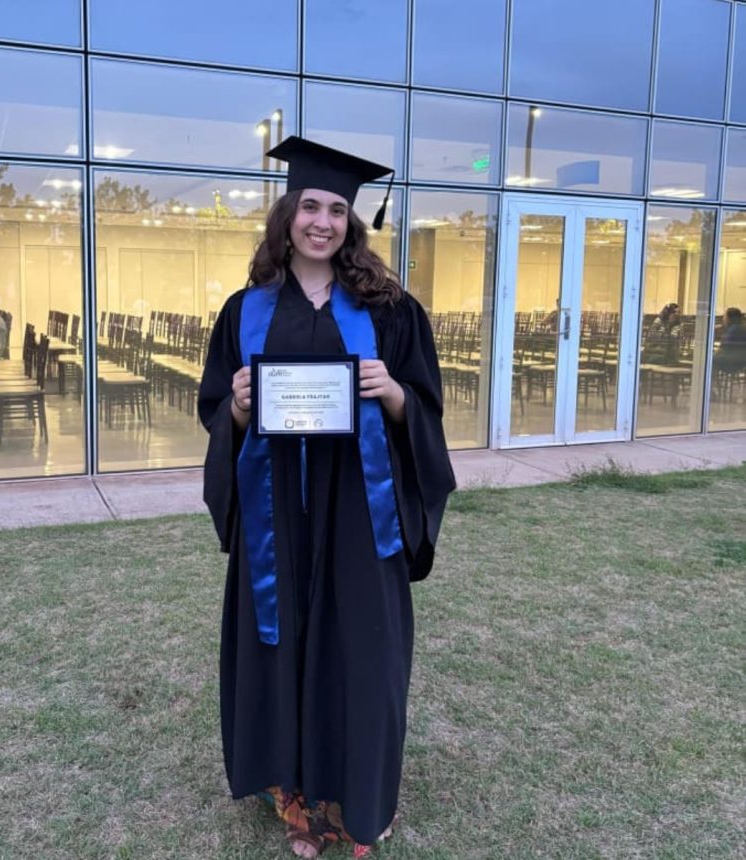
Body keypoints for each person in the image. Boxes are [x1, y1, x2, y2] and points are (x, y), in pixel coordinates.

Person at [198, 137, 455, 858]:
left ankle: (360, 800)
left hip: (358, 511)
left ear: (352, 222)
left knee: (363, 651)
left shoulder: (391, 310)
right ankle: (298, 800)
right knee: (283, 646)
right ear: (286, 217)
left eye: (337, 210)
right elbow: (216, 407)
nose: (323, 222)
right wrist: (238, 408)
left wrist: (393, 392)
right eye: (310, 206)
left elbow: (425, 410)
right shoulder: (243, 310)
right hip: (277, 509)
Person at [714, 307, 746, 374]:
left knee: (706, 360)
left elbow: (723, 350)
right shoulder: (742, 328)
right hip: (741, 362)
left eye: (725, 317)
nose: (723, 319)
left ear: (730, 319)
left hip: (731, 363)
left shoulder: (732, 331)